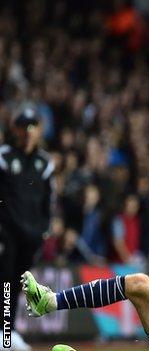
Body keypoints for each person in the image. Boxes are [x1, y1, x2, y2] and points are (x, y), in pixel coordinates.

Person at [0, 107, 55, 350]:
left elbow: (49, 200)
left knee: (18, 282)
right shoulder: (4, 157)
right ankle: (5, 332)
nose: (28, 133)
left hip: (31, 236)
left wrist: (44, 229)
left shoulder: (45, 163)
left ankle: (8, 332)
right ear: (16, 130)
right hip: (6, 232)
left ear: (39, 131)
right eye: (24, 127)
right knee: (5, 281)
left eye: (32, 127)